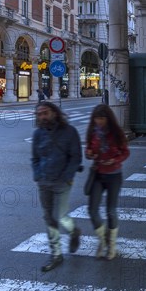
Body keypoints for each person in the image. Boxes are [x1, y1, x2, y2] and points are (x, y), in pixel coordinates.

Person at [31, 101, 82, 272]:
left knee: (60, 216)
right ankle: (56, 254)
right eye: (39, 114)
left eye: (45, 113)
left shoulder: (69, 132)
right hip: (44, 181)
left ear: (54, 113)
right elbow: (35, 158)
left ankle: (74, 231)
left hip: (62, 182)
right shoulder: (38, 134)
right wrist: (38, 175)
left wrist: (67, 177)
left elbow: (76, 158)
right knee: (49, 218)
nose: (42, 117)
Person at [85, 104, 130, 260]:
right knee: (92, 210)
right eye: (97, 118)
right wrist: (89, 154)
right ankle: (103, 239)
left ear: (108, 119)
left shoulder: (116, 133)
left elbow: (125, 152)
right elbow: (88, 149)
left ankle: (111, 244)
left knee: (111, 210)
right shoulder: (93, 132)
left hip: (114, 174)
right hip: (98, 173)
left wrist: (114, 160)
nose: (99, 122)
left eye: (102, 119)